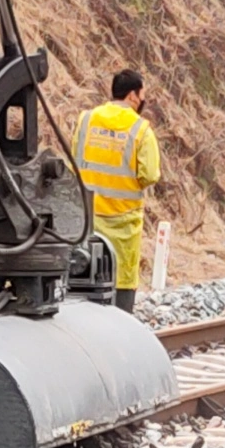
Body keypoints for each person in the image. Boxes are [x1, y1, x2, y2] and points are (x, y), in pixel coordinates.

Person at [71, 69, 161, 314]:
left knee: (84, 280)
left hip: (86, 220)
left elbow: (73, 162)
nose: (143, 101)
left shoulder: (86, 119)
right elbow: (150, 174)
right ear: (133, 96)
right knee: (120, 284)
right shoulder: (141, 130)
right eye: (143, 95)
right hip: (123, 222)